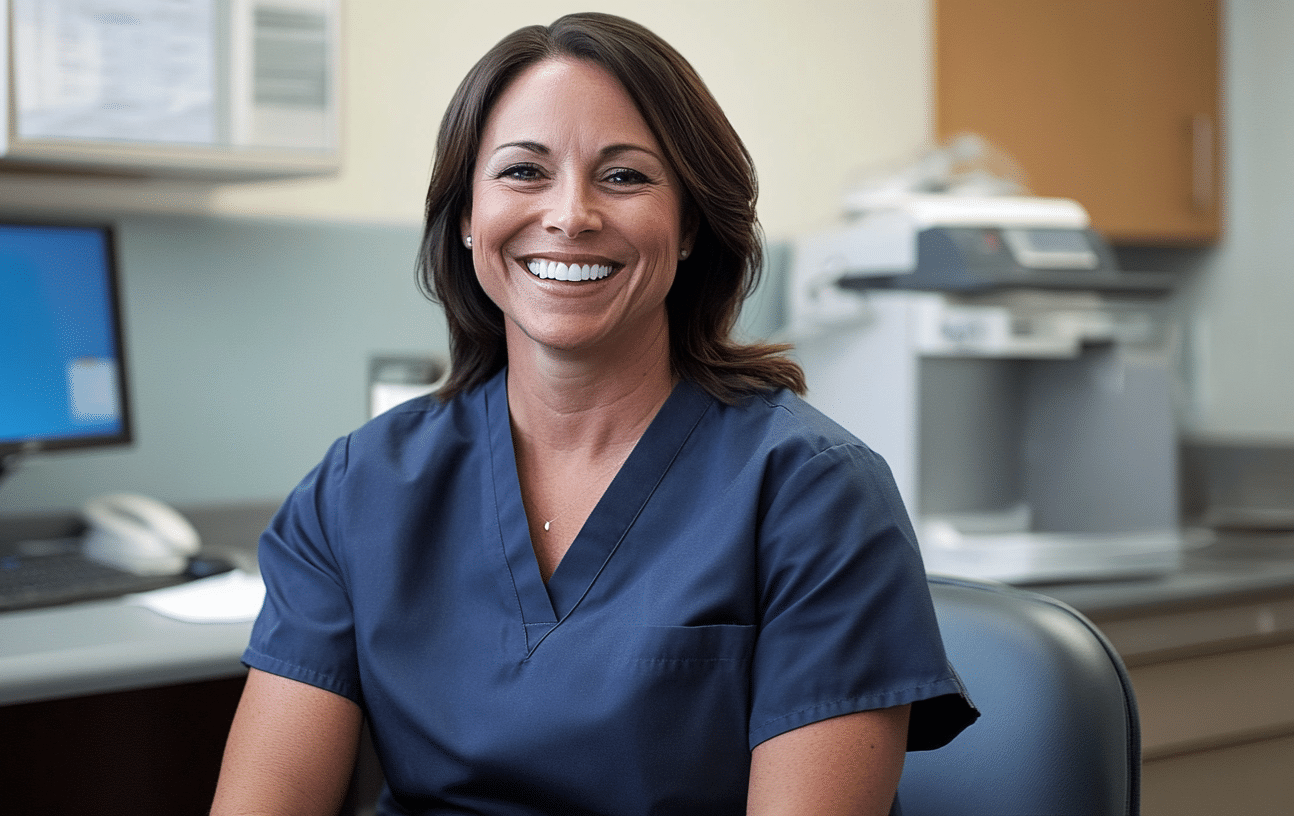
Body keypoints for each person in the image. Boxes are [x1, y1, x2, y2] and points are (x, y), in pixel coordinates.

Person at [212, 12, 976, 816]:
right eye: (522, 172)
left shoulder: (811, 494)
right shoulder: (357, 489)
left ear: (687, 227)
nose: (571, 214)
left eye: (625, 177)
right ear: (468, 216)